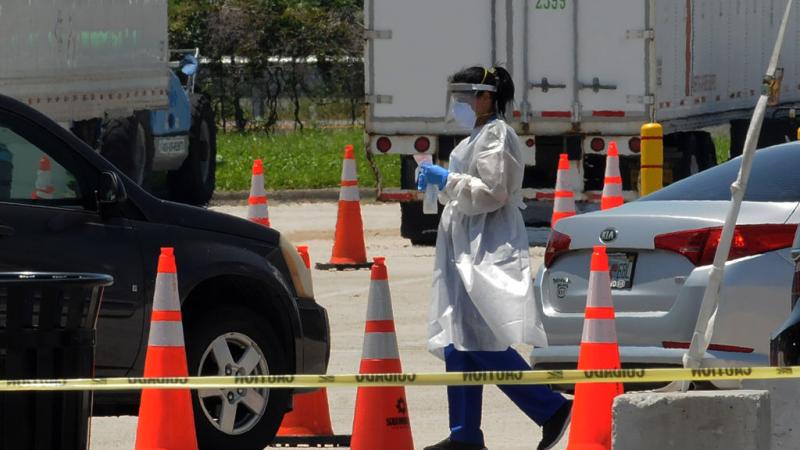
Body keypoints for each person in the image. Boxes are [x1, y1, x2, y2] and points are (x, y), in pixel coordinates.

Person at [417, 66, 572, 450]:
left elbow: (492, 192)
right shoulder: (476, 136)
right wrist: (439, 183)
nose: (459, 104)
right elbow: (467, 190)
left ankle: (550, 407)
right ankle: (464, 435)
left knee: (480, 340)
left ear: (487, 96)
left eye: (465, 96)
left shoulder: (497, 135)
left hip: (486, 242)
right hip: (464, 242)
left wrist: (447, 179)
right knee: (458, 338)